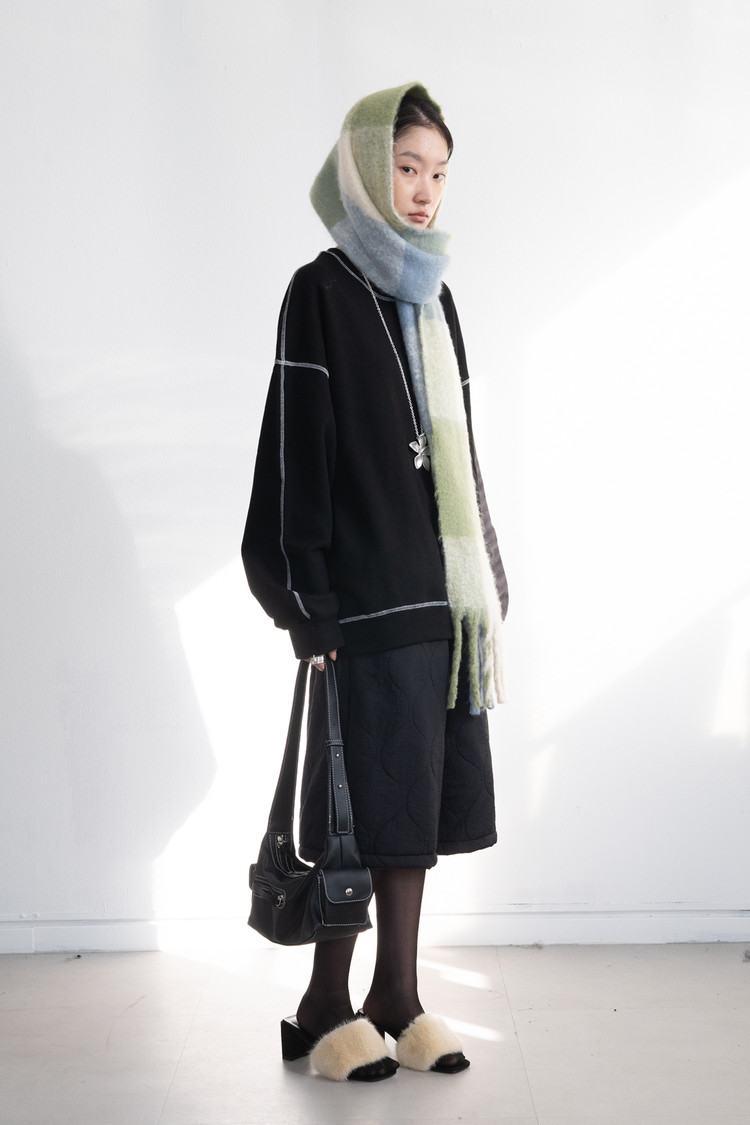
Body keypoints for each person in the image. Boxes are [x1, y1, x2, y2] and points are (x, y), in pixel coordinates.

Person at [242, 82, 508, 1083]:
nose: (425, 189)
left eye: (437, 172)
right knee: (355, 804)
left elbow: (463, 457)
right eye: (405, 167)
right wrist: (303, 594)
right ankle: (324, 1004)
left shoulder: (436, 297)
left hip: (438, 598)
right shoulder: (319, 291)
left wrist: (486, 574)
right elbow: (295, 451)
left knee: (414, 808)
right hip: (358, 597)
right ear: (363, 168)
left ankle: (397, 993)